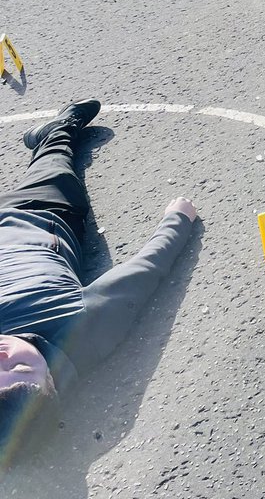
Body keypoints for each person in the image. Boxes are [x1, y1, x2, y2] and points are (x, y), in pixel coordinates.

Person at [0, 101, 197, 460]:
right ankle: (57, 131)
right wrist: (178, 219)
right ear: (51, 379)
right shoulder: (81, 328)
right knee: (55, 164)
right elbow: (143, 273)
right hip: (32, 213)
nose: (2, 356)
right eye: (19, 367)